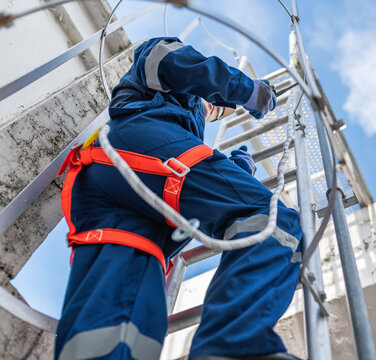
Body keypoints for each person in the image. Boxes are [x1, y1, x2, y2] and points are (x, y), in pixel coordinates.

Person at [55, 36, 303, 360]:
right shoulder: (160, 78)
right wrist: (248, 91)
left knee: (125, 313)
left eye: (217, 113)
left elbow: (204, 174)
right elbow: (181, 64)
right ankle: (234, 348)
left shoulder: (182, 126)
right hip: (140, 151)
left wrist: (240, 165)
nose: (214, 109)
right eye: (214, 102)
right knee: (270, 220)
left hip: (118, 194)